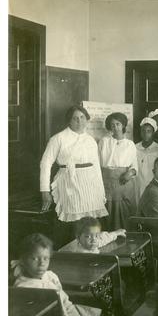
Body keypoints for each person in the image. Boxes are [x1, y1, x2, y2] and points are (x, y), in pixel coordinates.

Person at [11, 233, 101, 316]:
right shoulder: (24, 287)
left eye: (46, 258)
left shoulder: (50, 276)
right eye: (34, 259)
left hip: (63, 312)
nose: (41, 264)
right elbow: (54, 312)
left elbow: (64, 299)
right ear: (23, 260)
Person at [39, 105, 108, 244]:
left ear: (87, 119)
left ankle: (89, 253)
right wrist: (44, 190)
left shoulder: (90, 140)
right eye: (75, 118)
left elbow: (96, 167)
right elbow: (45, 164)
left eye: (82, 117)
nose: (79, 121)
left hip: (90, 185)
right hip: (69, 181)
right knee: (72, 223)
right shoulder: (58, 138)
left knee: (90, 224)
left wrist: (101, 192)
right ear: (69, 121)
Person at [98, 112, 138, 230]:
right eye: (112, 125)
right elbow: (98, 162)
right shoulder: (104, 141)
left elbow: (134, 165)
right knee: (108, 211)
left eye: (118, 124)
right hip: (107, 182)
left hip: (123, 182)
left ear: (123, 125)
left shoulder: (130, 144)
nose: (115, 127)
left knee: (123, 212)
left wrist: (129, 173)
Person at [135, 117, 158, 202]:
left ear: (153, 133)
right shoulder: (135, 148)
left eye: (149, 131)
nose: (145, 134)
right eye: (143, 131)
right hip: (138, 186)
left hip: (153, 187)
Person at [59, 216, 126, 254]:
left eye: (97, 235)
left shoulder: (95, 242)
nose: (94, 239)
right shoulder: (78, 252)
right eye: (88, 236)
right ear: (78, 237)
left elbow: (104, 238)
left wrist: (117, 233)